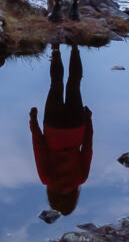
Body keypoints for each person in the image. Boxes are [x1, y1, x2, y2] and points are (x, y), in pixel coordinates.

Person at [30, 42, 93, 216]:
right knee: (56, 84)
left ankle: (74, 47)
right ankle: (56, 48)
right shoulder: (47, 180)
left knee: (74, 84)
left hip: (75, 127)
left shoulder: (81, 178)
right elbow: (39, 149)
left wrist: (88, 121)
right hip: (54, 127)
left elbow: (87, 148)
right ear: (51, 197)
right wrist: (33, 123)